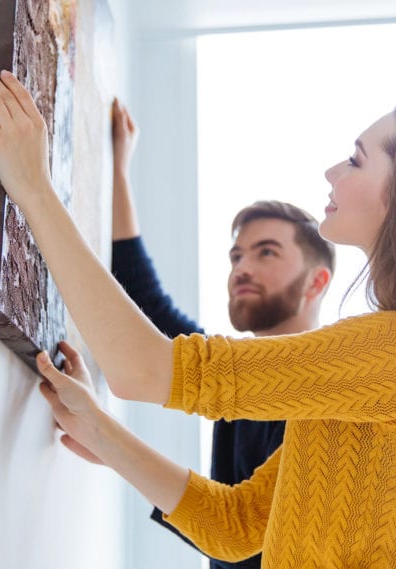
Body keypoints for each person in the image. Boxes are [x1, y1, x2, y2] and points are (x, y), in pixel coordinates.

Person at [0, 70, 396, 569]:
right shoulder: (395, 357)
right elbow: (235, 525)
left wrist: (33, 187)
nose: (332, 173)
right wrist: (100, 428)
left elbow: (141, 370)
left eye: (355, 159)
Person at [108, 98, 335, 569]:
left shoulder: (327, 398)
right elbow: (147, 307)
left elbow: (242, 537)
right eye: (236, 257)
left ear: (317, 282)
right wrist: (120, 171)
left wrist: (110, 444)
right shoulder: (235, 376)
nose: (241, 269)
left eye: (266, 253)